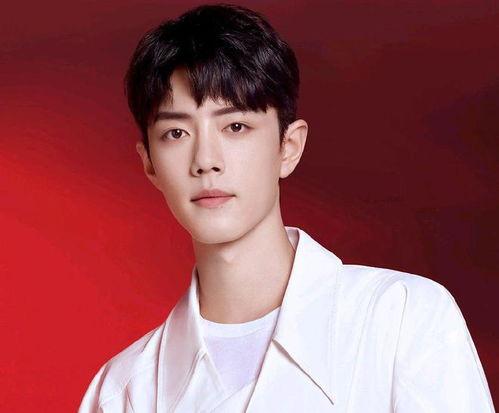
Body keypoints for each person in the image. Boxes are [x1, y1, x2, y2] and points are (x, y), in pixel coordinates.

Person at [78, 4, 495, 412]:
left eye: (235, 126)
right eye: (175, 133)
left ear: (289, 146)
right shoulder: (123, 391)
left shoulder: (403, 320)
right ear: (149, 163)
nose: (205, 160)